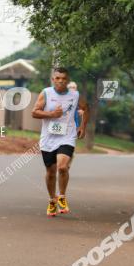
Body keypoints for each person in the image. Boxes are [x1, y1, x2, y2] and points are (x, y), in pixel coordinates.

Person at [32, 67, 88, 216]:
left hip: (67, 136)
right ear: (53, 79)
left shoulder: (75, 95)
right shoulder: (46, 93)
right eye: (58, 78)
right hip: (48, 138)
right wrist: (51, 114)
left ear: (67, 80)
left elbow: (85, 107)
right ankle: (52, 200)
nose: (61, 81)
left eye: (64, 78)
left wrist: (82, 125)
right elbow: (34, 112)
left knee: (62, 167)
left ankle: (62, 197)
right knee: (50, 172)